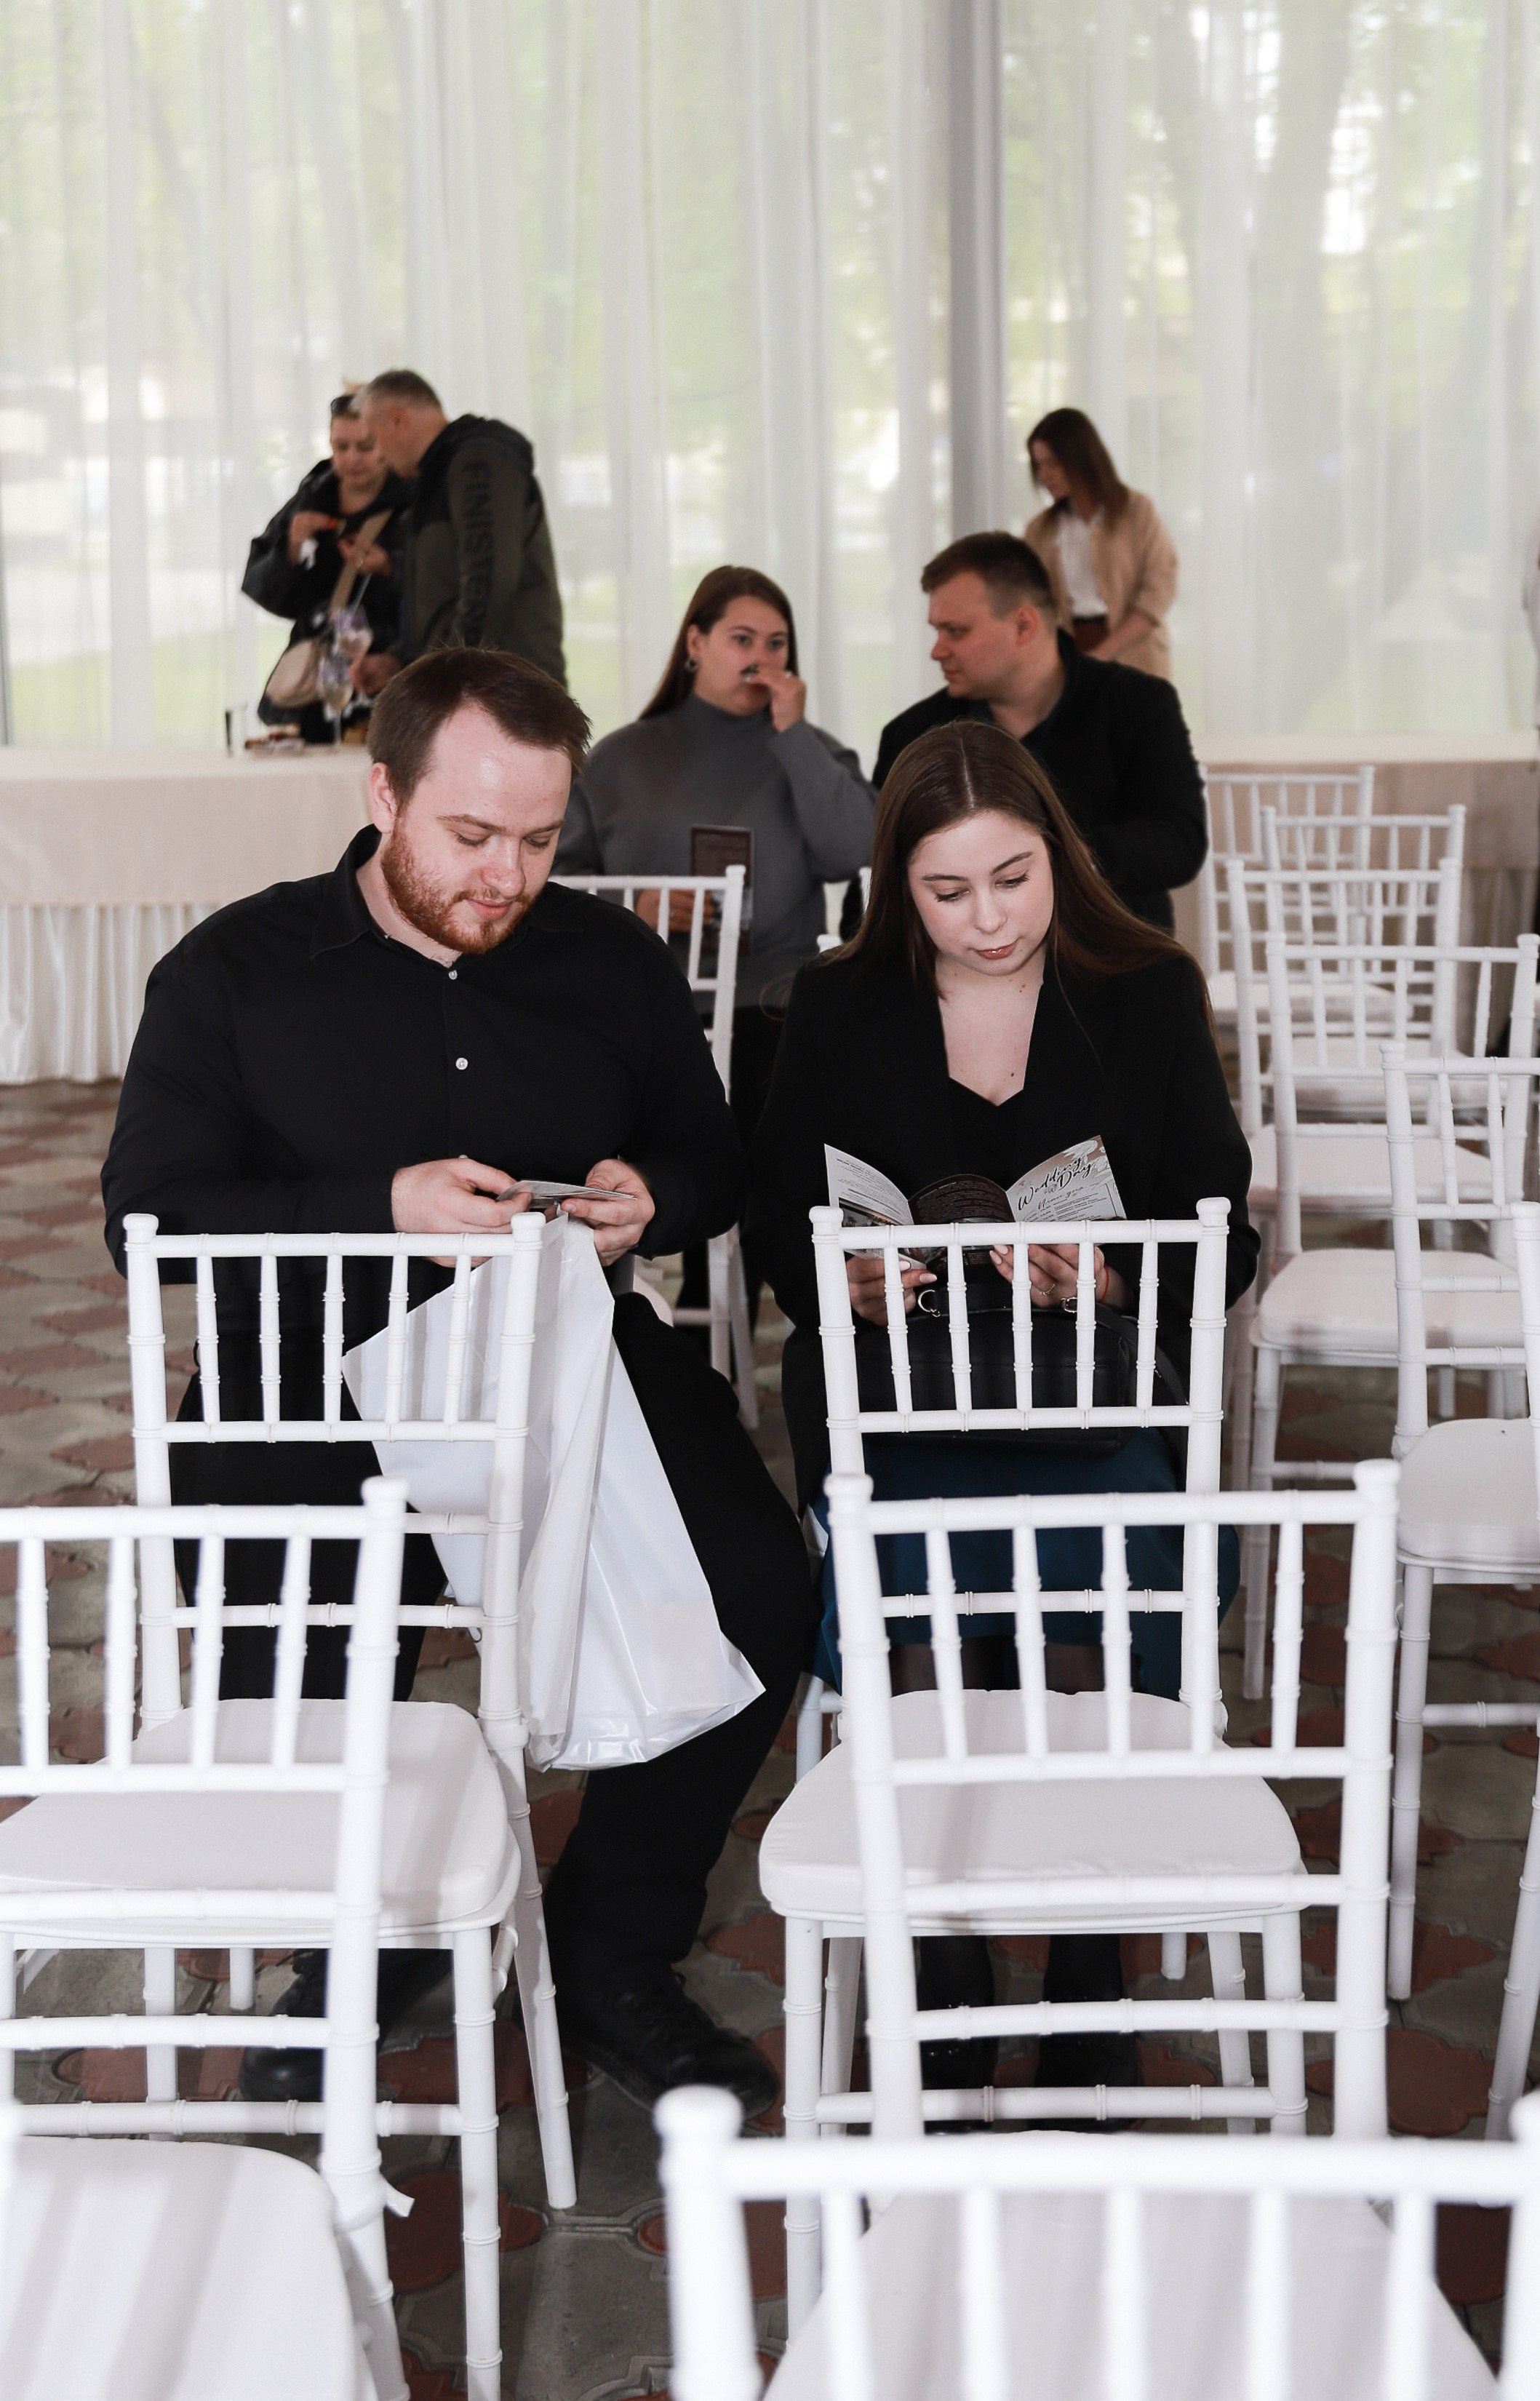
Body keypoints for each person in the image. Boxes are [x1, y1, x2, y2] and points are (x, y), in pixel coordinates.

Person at [100, 647, 816, 2117]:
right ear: (382, 795)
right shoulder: (234, 970)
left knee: (758, 1586)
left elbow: (709, 1159)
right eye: (468, 837)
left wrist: (648, 1198)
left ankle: (611, 1949)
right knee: (280, 1629)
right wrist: (374, 1206)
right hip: (300, 1373)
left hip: (561, 1355)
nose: (505, 877)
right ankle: (344, 1949)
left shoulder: (607, 962)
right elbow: (147, 1216)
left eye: (539, 841)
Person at [750, 717, 1256, 2098]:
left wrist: (1114, 1271)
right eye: (947, 892)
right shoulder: (840, 1001)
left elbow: (1226, 1227)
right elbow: (772, 1225)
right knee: (920, 1618)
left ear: (1060, 859)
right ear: (894, 889)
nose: (987, 921)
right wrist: (837, 1283)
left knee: (1128, 1588)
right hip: (901, 1398)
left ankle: (1094, 1950)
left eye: (1014, 881)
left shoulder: (1145, 989)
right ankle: (942, 1927)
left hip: (1088, 1392)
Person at [556, 565, 874, 1321]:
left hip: (774, 1003)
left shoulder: (811, 752)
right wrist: (638, 903)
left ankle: (782, 1285)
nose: (760, 660)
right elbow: (554, 877)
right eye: (741, 639)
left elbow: (855, 845)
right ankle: (685, 1266)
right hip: (652, 1009)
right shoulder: (623, 757)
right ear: (695, 643)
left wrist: (793, 737)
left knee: (784, 1096)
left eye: (776, 644)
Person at [869, 533, 1205, 931]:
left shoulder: (1138, 704)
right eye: (936, 631)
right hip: (959, 971)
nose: (937, 650)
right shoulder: (911, 736)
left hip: (1112, 957)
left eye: (955, 631)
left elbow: (1178, 842)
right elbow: (876, 882)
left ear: (1024, 625)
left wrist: (1051, 858)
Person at [351, 368, 565, 696]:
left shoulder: (479, 461)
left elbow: (488, 583)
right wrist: (399, 659)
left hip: (506, 695)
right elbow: (444, 596)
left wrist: (445, 683)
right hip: (481, 688)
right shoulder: (440, 475)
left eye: (373, 439)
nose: (378, 455)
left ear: (397, 420)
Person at [241, 391, 411, 741]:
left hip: (386, 669)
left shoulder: (414, 499)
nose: (352, 459)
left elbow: (442, 589)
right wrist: (290, 547)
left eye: (365, 447)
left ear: (385, 442)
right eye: (340, 447)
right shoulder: (313, 495)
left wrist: (389, 567)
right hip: (316, 679)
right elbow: (268, 593)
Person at [1024, 407, 1179, 680]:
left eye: (1053, 463)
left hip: (1138, 655)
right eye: (1039, 465)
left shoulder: (1136, 511)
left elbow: (1159, 588)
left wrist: (1106, 650)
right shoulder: (1040, 531)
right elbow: (1031, 601)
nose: (1045, 474)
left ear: (1080, 458)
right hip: (1069, 660)